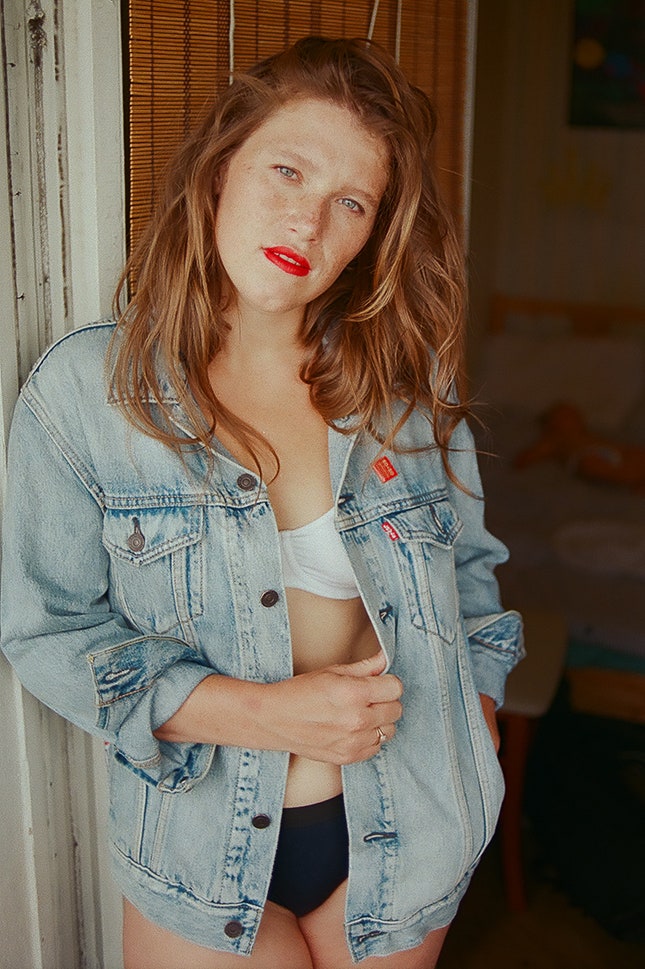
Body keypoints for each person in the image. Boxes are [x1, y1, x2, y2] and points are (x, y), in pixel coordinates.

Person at [0, 36, 523, 969]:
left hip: (409, 830)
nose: (307, 221)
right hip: (199, 847)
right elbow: (47, 633)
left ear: (372, 234)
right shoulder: (87, 392)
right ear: (218, 171)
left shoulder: (405, 390)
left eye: (350, 202)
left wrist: (474, 722)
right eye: (287, 169)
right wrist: (262, 715)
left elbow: (472, 575)